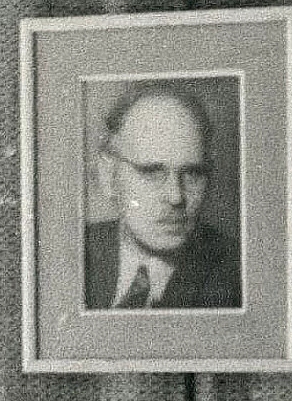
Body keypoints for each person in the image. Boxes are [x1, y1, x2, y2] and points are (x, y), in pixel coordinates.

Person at [84, 83, 242, 310]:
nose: (176, 197)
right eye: (152, 172)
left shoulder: (238, 273)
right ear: (108, 175)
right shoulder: (75, 254)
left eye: (193, 173)